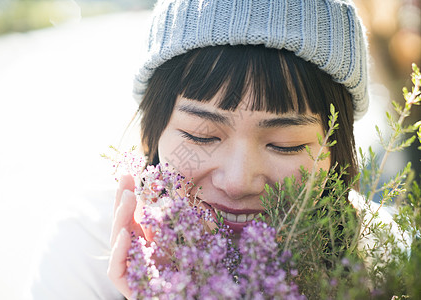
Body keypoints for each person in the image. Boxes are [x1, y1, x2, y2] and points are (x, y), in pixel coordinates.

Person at [27, 0, 382, 299]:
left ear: (337, 153)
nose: (238, 181)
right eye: (201, 136)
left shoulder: (385, 257)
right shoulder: (82, 251)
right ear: (152, 133)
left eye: (283, 145)